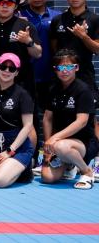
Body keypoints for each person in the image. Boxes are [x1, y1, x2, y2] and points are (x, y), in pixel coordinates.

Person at [41, 49, 98, 190]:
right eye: (61, 68)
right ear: (55, 69)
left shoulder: (83, 90)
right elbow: (47, 118)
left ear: (76, 68)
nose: (65, 71)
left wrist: (54, 138)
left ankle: (86, 171)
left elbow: (81, 121)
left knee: (61, 146)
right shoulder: (53, 89)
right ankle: (71, 164)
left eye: (69, 67)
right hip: (60, 143)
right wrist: (48, 146)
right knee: (47, 178)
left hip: (84, 143)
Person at [0, 52, 36, 188]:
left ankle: (25, 169)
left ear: (16, 73)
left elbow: (28, 126)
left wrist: (10, 151)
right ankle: (11, 169)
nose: (6, 71)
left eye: (12, 69)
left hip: (18, 147)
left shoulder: (23, 95)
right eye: (3, 67)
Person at [48, 0, 99, 93]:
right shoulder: (57, 20)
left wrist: (84, 37)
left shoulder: (95, 19)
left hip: (85, 75)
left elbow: (97, 49)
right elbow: (54, 48)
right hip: (62, 75)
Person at [20, 0, 60, 110]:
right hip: (24, 76)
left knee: (52, 114)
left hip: (52, 75)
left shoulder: (57, 17)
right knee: (27, 114)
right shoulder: (19, 16)